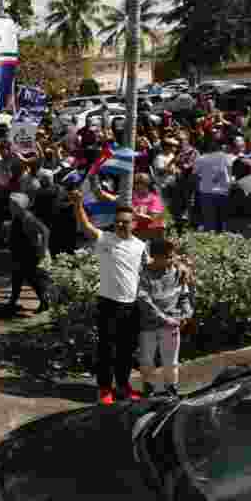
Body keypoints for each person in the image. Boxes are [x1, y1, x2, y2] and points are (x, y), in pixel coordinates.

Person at [69, 191, 148, 404]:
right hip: (108, 304)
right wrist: (78, 204)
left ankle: (123, 385)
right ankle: (105, 389)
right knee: (106, 350)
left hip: (131, 306)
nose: (121, 225)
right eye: (118, 222)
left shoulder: (141, 246)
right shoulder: (105, 239)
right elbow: (86, 226)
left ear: (134, 224)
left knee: (126, 350)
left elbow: (149, 270)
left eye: (126, 222)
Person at [136, 238, 194, 398]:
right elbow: (145, 302)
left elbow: (184, 296)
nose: (173, 259)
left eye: (173, 256)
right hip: (149, 326)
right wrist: (165, 319)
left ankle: (171, 388)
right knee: (147, 360)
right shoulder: (143, 275)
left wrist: (187, 313)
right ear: (156, 256)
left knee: (171, 361)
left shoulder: (177, 273)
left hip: (172, 325)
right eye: (169, 257)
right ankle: (149, 388)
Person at [2, 192, 51, 317]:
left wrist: (42, 251)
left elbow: (45, 232)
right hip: (20, 255)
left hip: (29, 255)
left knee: (34, 280)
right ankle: (12, 302)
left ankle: (44, 302)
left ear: (19, 206)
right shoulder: (18, 217)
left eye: (12, 204)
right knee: (17, 279)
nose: (9, 207)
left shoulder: (28, 217)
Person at [193, 139, 235, 232]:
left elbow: (195, 176)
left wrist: (199, 189)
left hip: (206, 193)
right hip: (223, 193)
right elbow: (230, 174)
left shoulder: (201, 159)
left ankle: (210, 242)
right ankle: (221, 241)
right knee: (223, 222)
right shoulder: (227, 157)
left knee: (209, 223)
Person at [225, 157, 251, 239]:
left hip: (247, 223)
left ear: (240, 169)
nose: (233, 171)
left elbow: (232, 207)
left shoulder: (238, 185)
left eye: (234, 168)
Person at [131, 173, 166, 241]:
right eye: (136, 183)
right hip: (133, 230)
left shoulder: (154, 199)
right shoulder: (131, 196)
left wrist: (136, 215)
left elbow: (155, 218)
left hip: (148, 232)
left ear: (147, 185)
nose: (137, 186)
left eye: (141, 183)